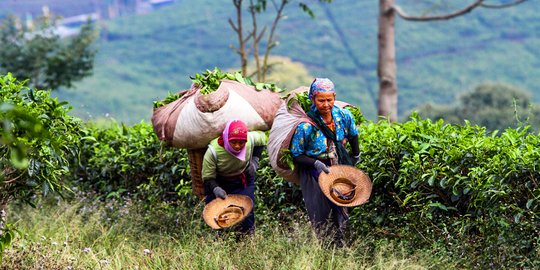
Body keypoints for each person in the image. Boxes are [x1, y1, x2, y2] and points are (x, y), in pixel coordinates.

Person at [289, 78, 361, 246]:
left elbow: (353, 134)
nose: (326, 104)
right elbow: (296, 154)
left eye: (330, 99)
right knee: (320, 211)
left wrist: (355, 155)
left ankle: (343, 244)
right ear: (313, 99)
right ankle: (326, 246)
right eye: (321, 100)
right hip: (313, 170)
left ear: (334, 97)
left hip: (339, 165)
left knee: (343, 204)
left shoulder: (343, 115)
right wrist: (316, 164)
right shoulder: (306, 126)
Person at [202, 119, 266, 235]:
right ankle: (220, 241)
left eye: (241, 143)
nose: (237, 146)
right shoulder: (213, 151)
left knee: (247, 212)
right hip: (220, 182)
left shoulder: (250, 139)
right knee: (219, 215)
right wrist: (216, 189)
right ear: (227, 138)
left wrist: (255, 160)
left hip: (243, 179)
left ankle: (247, 239)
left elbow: (262, 139)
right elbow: (208, 177)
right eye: (233, 142)